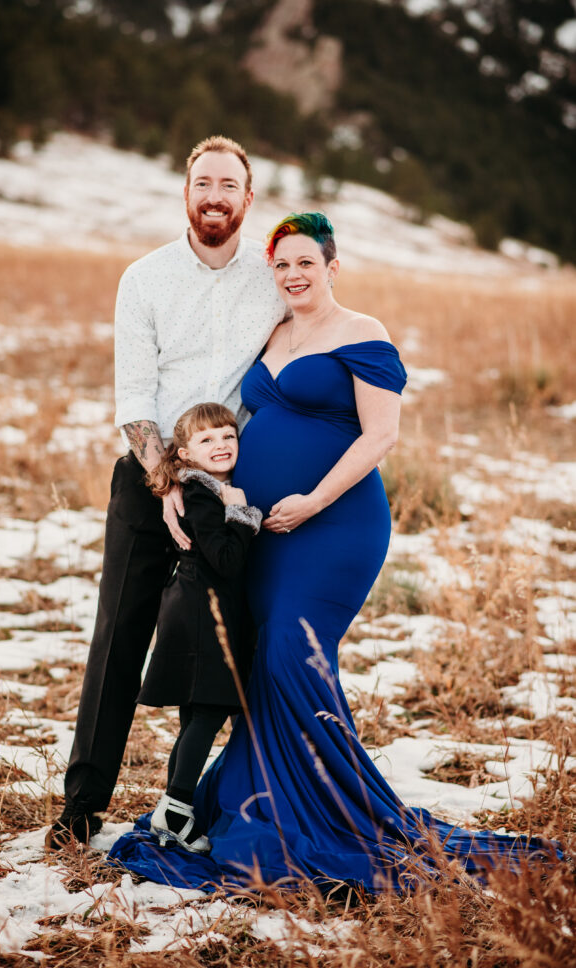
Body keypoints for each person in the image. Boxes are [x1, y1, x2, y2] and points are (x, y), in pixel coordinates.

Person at [108, 212, 556, 891]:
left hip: (335, 526)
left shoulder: (363, 333)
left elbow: (381, 437)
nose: (292, 276)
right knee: (266, 662)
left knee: (293, 649)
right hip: (264, 536)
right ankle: (268, 804)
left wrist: (314, 500)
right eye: (281, 265)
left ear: (332, 266)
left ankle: (329, 818)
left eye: (305, 264)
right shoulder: (275, 330)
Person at [46, 137, 286, 849]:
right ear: (186, 192)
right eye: (203, 182)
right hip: (147, 477)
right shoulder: (144, 278)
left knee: (237, 645)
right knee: (119, 634)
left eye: (229, 185)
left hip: (234, 492)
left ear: (248, 199)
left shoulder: (273, 279)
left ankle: (227, 802)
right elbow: (134, 397)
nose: (215, 196)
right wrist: (168, 480)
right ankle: (82, 806)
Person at [139, 402, 262, 853]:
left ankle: (171, 810)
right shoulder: (205, 496)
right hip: (200, 614)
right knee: (208, 713)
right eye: (207, 440)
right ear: (185, 454)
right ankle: (175, 807)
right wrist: (242, 513)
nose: (221, 445)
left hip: (194, 608)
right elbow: (226, 560)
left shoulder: (205, 489)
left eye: (228, 436)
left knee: (195, 716)